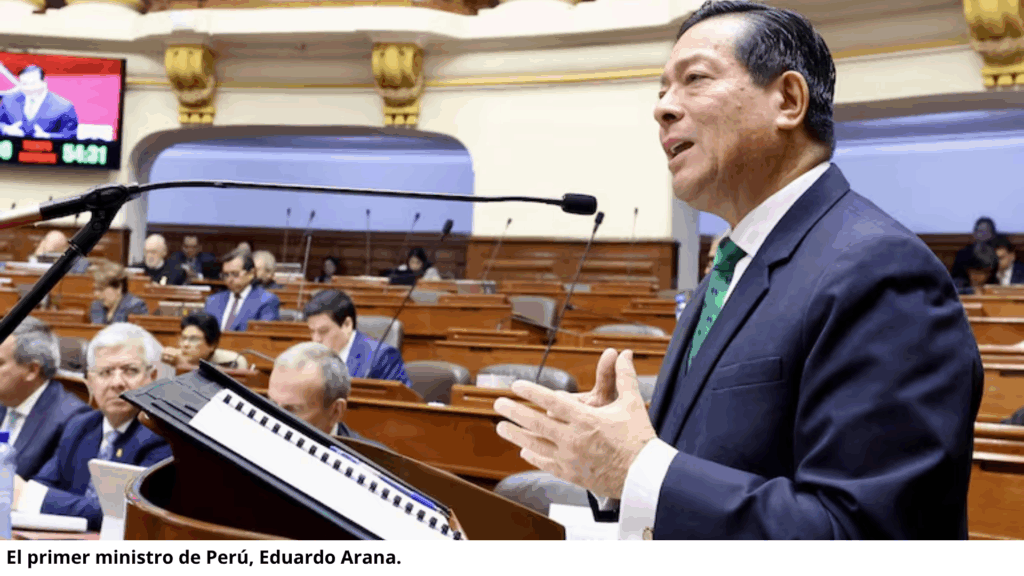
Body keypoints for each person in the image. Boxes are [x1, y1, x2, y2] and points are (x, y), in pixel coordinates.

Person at [493, 0, 981, 540]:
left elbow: (867, 536)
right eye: (662, 90)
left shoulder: (882, 271)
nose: (662, 109)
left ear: (788, 100)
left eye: (694, 79)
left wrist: (637, 469)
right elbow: (702, 464)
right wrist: (612, 466)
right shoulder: (729, 269)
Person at [12, 323, 172, 531]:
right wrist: (30, 495)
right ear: (89, 380)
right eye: (105, 372)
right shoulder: (80, 426)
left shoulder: (162, 436)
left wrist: (30, 496)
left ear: (152, 377)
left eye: (130, 371)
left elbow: (126, 512)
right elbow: (44, 484)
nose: (116, 383)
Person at [0, 317, 90, 480]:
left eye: (0, 363)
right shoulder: (6, 400)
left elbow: (46, 486)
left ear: (32, 370)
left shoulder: (72, 419)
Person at [266, 342, 382, 448]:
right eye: (272, 403)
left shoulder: (374, 461)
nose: (274, 420)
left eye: (292, 410)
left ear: (336, 411)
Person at [302, 289, 411, 386]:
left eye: (323, 331)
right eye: (312, 331)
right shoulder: (310, 356)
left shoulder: (382, 357)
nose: (316, 339)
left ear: (347, 325)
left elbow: (401, 400)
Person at [204, 248, 280, 331]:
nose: (229, 279)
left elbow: (263, 335)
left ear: (251, 274)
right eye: (225, 275)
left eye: (235, 274)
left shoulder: (266, 301)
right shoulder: (213, 301)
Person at [0, 65, 78, 140]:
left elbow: (71, 135)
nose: (29, 88)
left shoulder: (64, 107)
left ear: (44, 82)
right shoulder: (8, 100)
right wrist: (6, 129)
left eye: (33, 83)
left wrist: (48, 137)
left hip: (46, 148)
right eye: (24, 84)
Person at [159, 311, 248, 370]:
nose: (185, 344)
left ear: (212, 345)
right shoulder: (171, 358)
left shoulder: (234, 362)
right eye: (183, 338)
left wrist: (185, 365)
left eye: (193, 339)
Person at [89, 259, 148, 325]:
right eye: (96, 289)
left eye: (101, 289)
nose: (96, 294)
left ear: (118, 288)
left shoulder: (135, 306)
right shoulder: (96, 306)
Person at [951, 217, 999, 290]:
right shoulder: (963, 254)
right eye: (980, 231)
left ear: (992, 235)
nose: (982, 235)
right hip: (966, 290)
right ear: (974, 233)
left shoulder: (997, 254)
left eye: (986, 232)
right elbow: (955, 278)